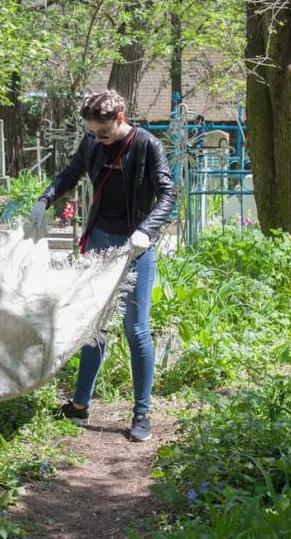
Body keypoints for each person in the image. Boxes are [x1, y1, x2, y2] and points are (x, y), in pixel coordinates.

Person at [28, 90, 176, 442]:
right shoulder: (91, 144)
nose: (98, 139)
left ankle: (141, 412)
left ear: (120, 118)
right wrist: (44, 200)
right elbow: (70, 174)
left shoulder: (147, 146)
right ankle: (79, 406)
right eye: (93, 132)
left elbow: (168, 194)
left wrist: (146, 229)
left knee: (135, 328)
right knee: (94, 325)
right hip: (98, 241)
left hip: (135, 246)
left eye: (104, 133)